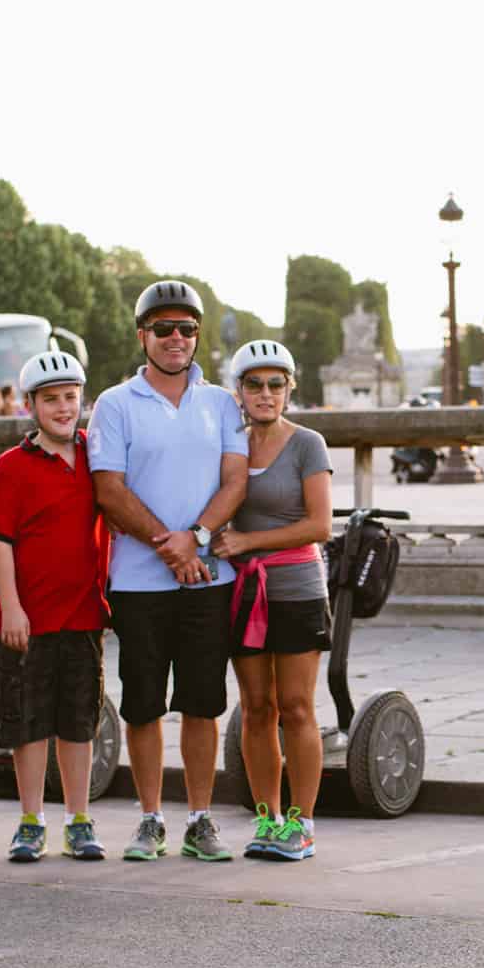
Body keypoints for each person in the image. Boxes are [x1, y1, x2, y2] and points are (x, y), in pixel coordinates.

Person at [88, 280, 247, 862]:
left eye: (186, 328)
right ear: (143, 336)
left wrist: (197, 539)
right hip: (138, 580)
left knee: (204, 702)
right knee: (144, 703)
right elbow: (109, 488)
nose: (176, 338)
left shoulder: (222, 403)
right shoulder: (114, 403)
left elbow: (235, 480)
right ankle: (152, 818)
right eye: (163, 329)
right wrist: (169, 547)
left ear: (197, 335)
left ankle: (200, 818)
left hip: (207, 577)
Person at [0, 349, 110, 862]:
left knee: (78, 721)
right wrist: (11, 607)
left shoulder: (97, 456)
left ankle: (79, 818)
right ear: (30, 405)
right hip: (27, 620)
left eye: (70, 398)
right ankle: (31, 819)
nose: (62, 408)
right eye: (50, 400)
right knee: (27, 723)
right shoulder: (13, 467)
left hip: (83, 613)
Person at [210, 341, 332, 861]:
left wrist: (247, 542)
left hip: (298, 587)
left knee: (297, 707)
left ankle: (302, 824)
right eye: (254, 384)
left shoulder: (308, 443)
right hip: (245, 594)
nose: (265, 393)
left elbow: (320, 525)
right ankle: (268, 819)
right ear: (237, 391)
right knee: (256, 708)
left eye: (275, 383)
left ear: (290, 388)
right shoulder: (227, 444)